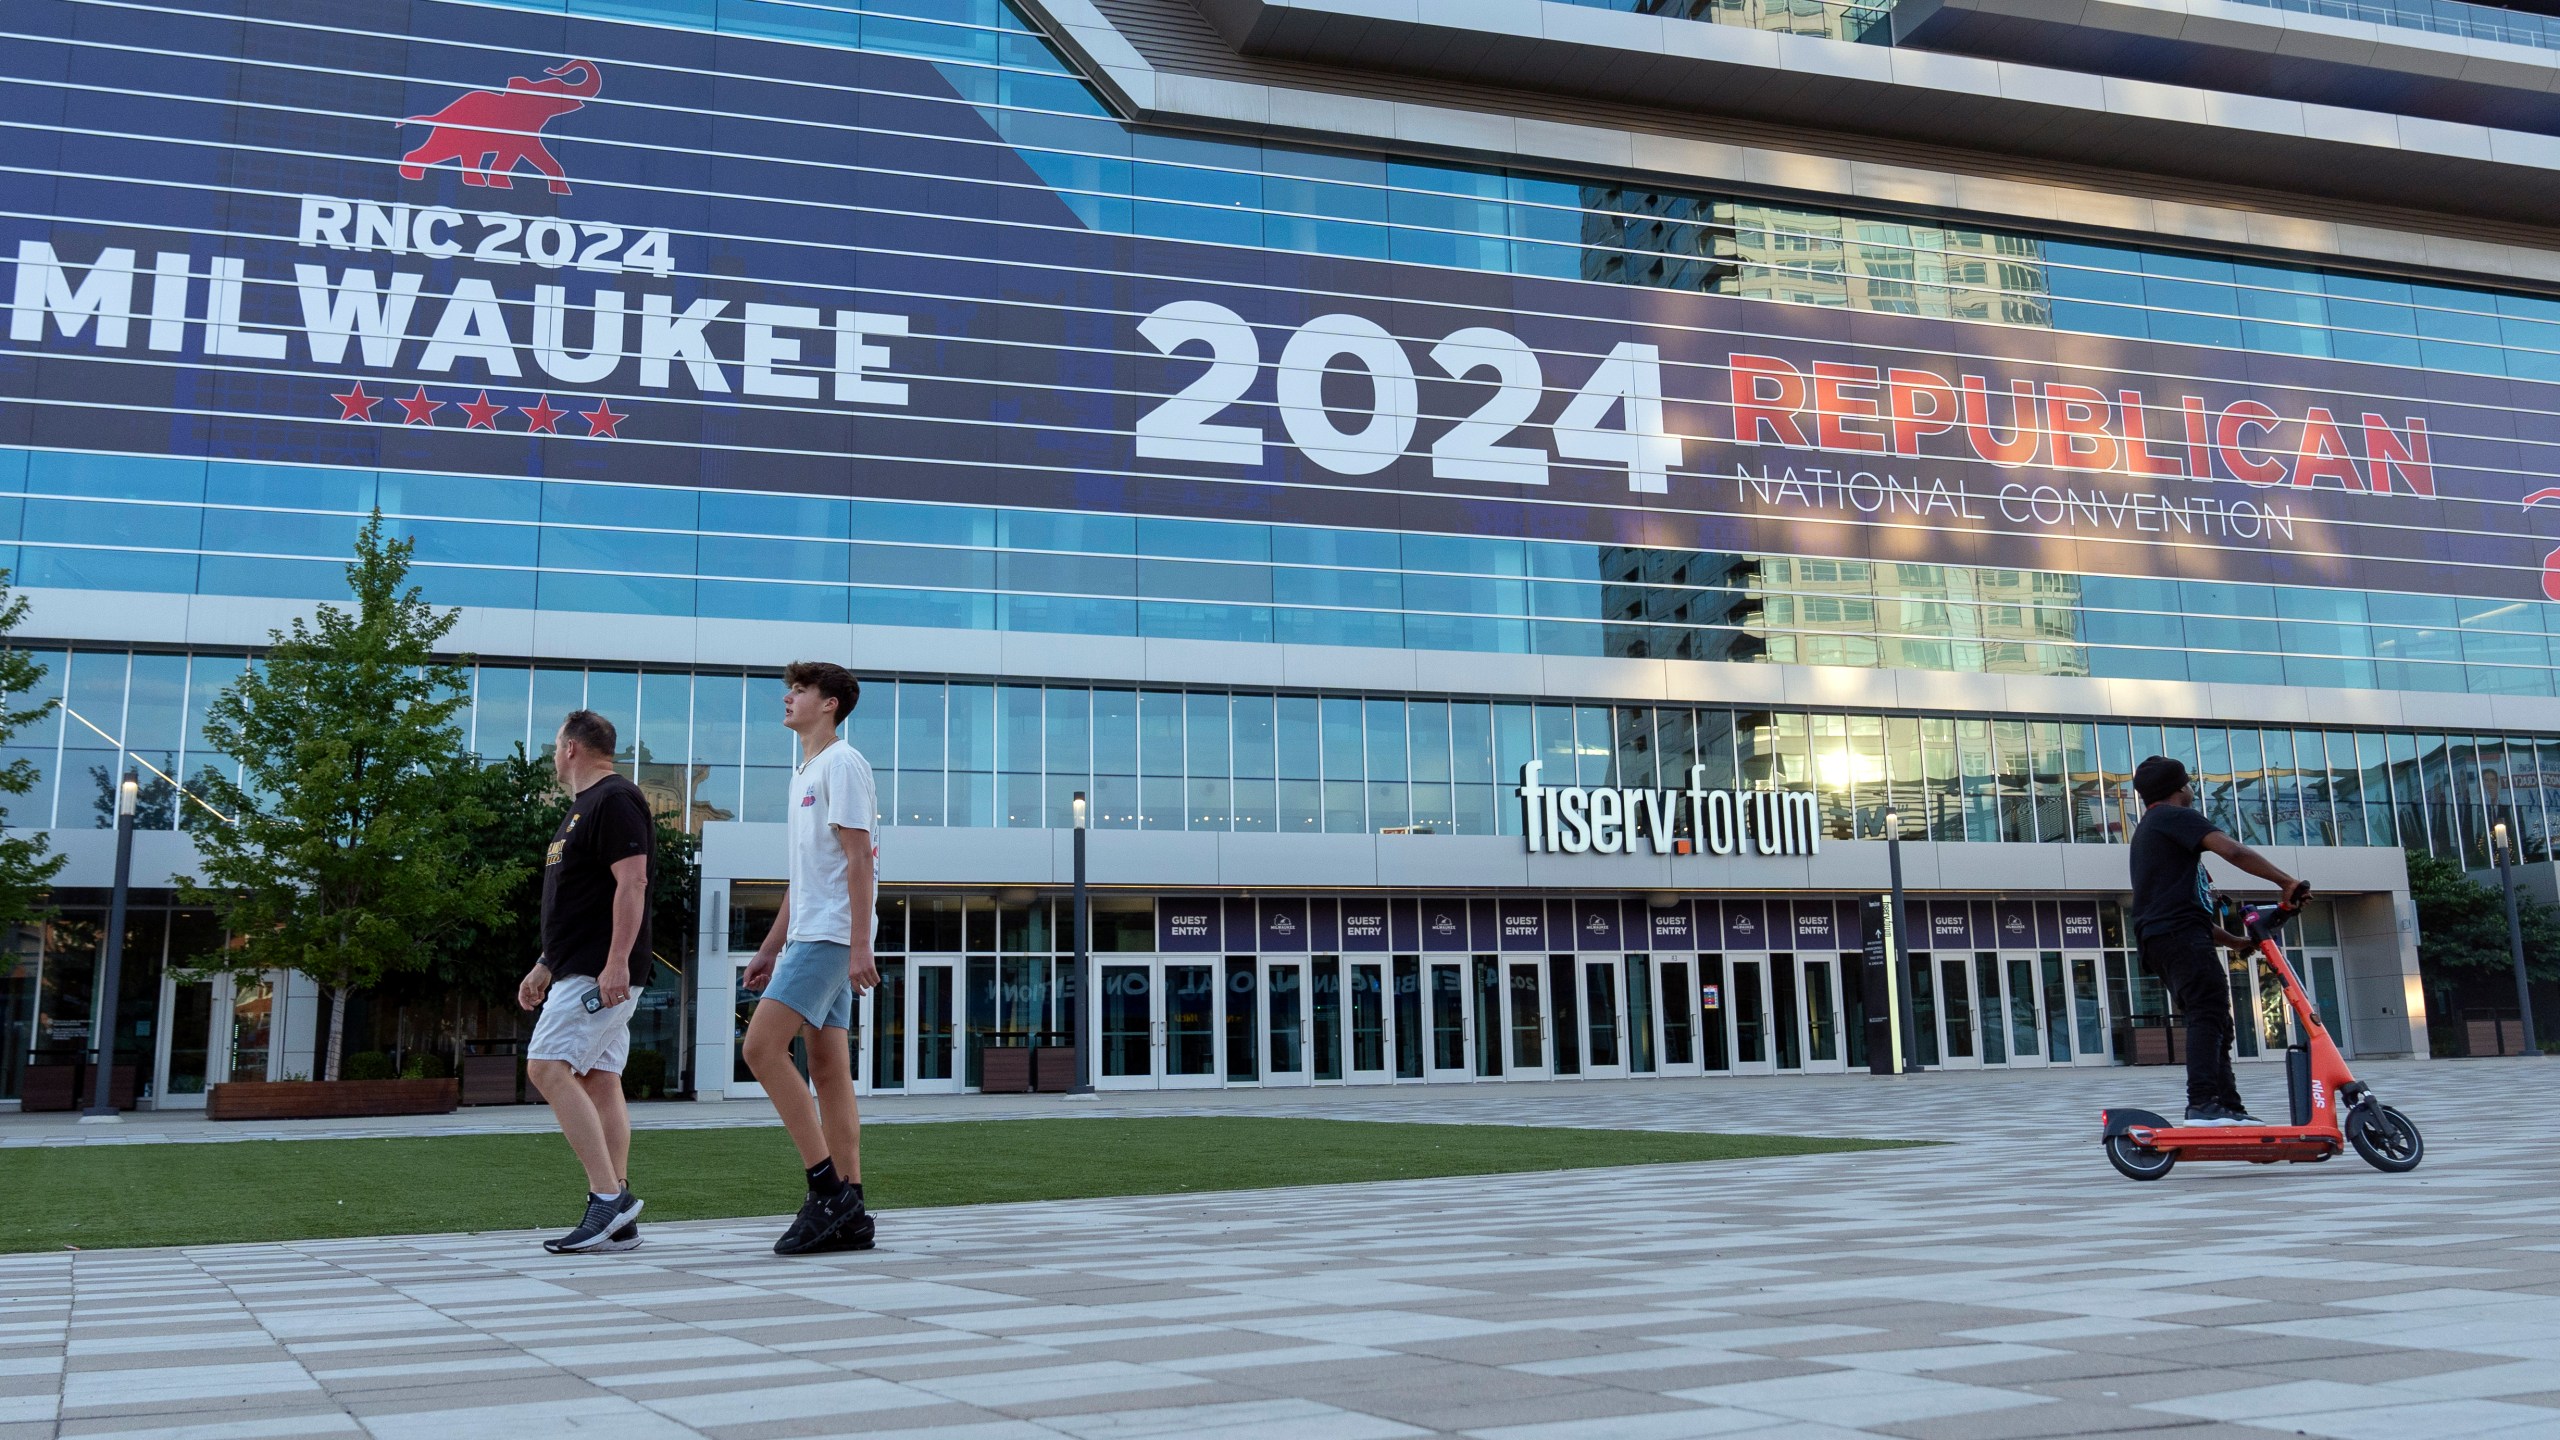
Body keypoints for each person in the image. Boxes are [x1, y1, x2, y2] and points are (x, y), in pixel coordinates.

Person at [741, 660, 880, 1255]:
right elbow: (805, 878)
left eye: (800, 691)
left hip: (830, 936)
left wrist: (858, 946)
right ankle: (853, 1211)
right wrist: (771, 948)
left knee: (760, 1048)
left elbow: (859, 858)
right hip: (810, 934)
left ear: (830, 704)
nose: (788, 698)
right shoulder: (806, 770)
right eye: (788, 690)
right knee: (828, 1070)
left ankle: (826, 1190)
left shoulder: (841, 763)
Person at [519, 709, 656, 1253]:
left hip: (602, 970)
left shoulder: (615, 799)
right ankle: (619, 1211)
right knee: (599, 1077)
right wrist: (545, 962)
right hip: (577, 964)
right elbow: (578, 903)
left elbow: (633, 882)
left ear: (571, 747)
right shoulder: (581, 811)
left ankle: (606, 1200)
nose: (553, 756)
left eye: (555, 746)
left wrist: (617, 961)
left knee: (546, 1067)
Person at [2127, 755, 2310, 1127]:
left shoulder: (2151, 830)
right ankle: (2203, 1104)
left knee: (2215, 1020)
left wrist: (2234, 942)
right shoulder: (2175, 818)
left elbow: (2178, 905)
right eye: (2189, 782)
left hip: (2165, 938)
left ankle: (2226, 1106)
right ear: (2180, 788)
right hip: (2177, 935)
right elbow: (2234, 851)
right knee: (2208, 1012)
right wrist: (2286, 882)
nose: (2191, 788)